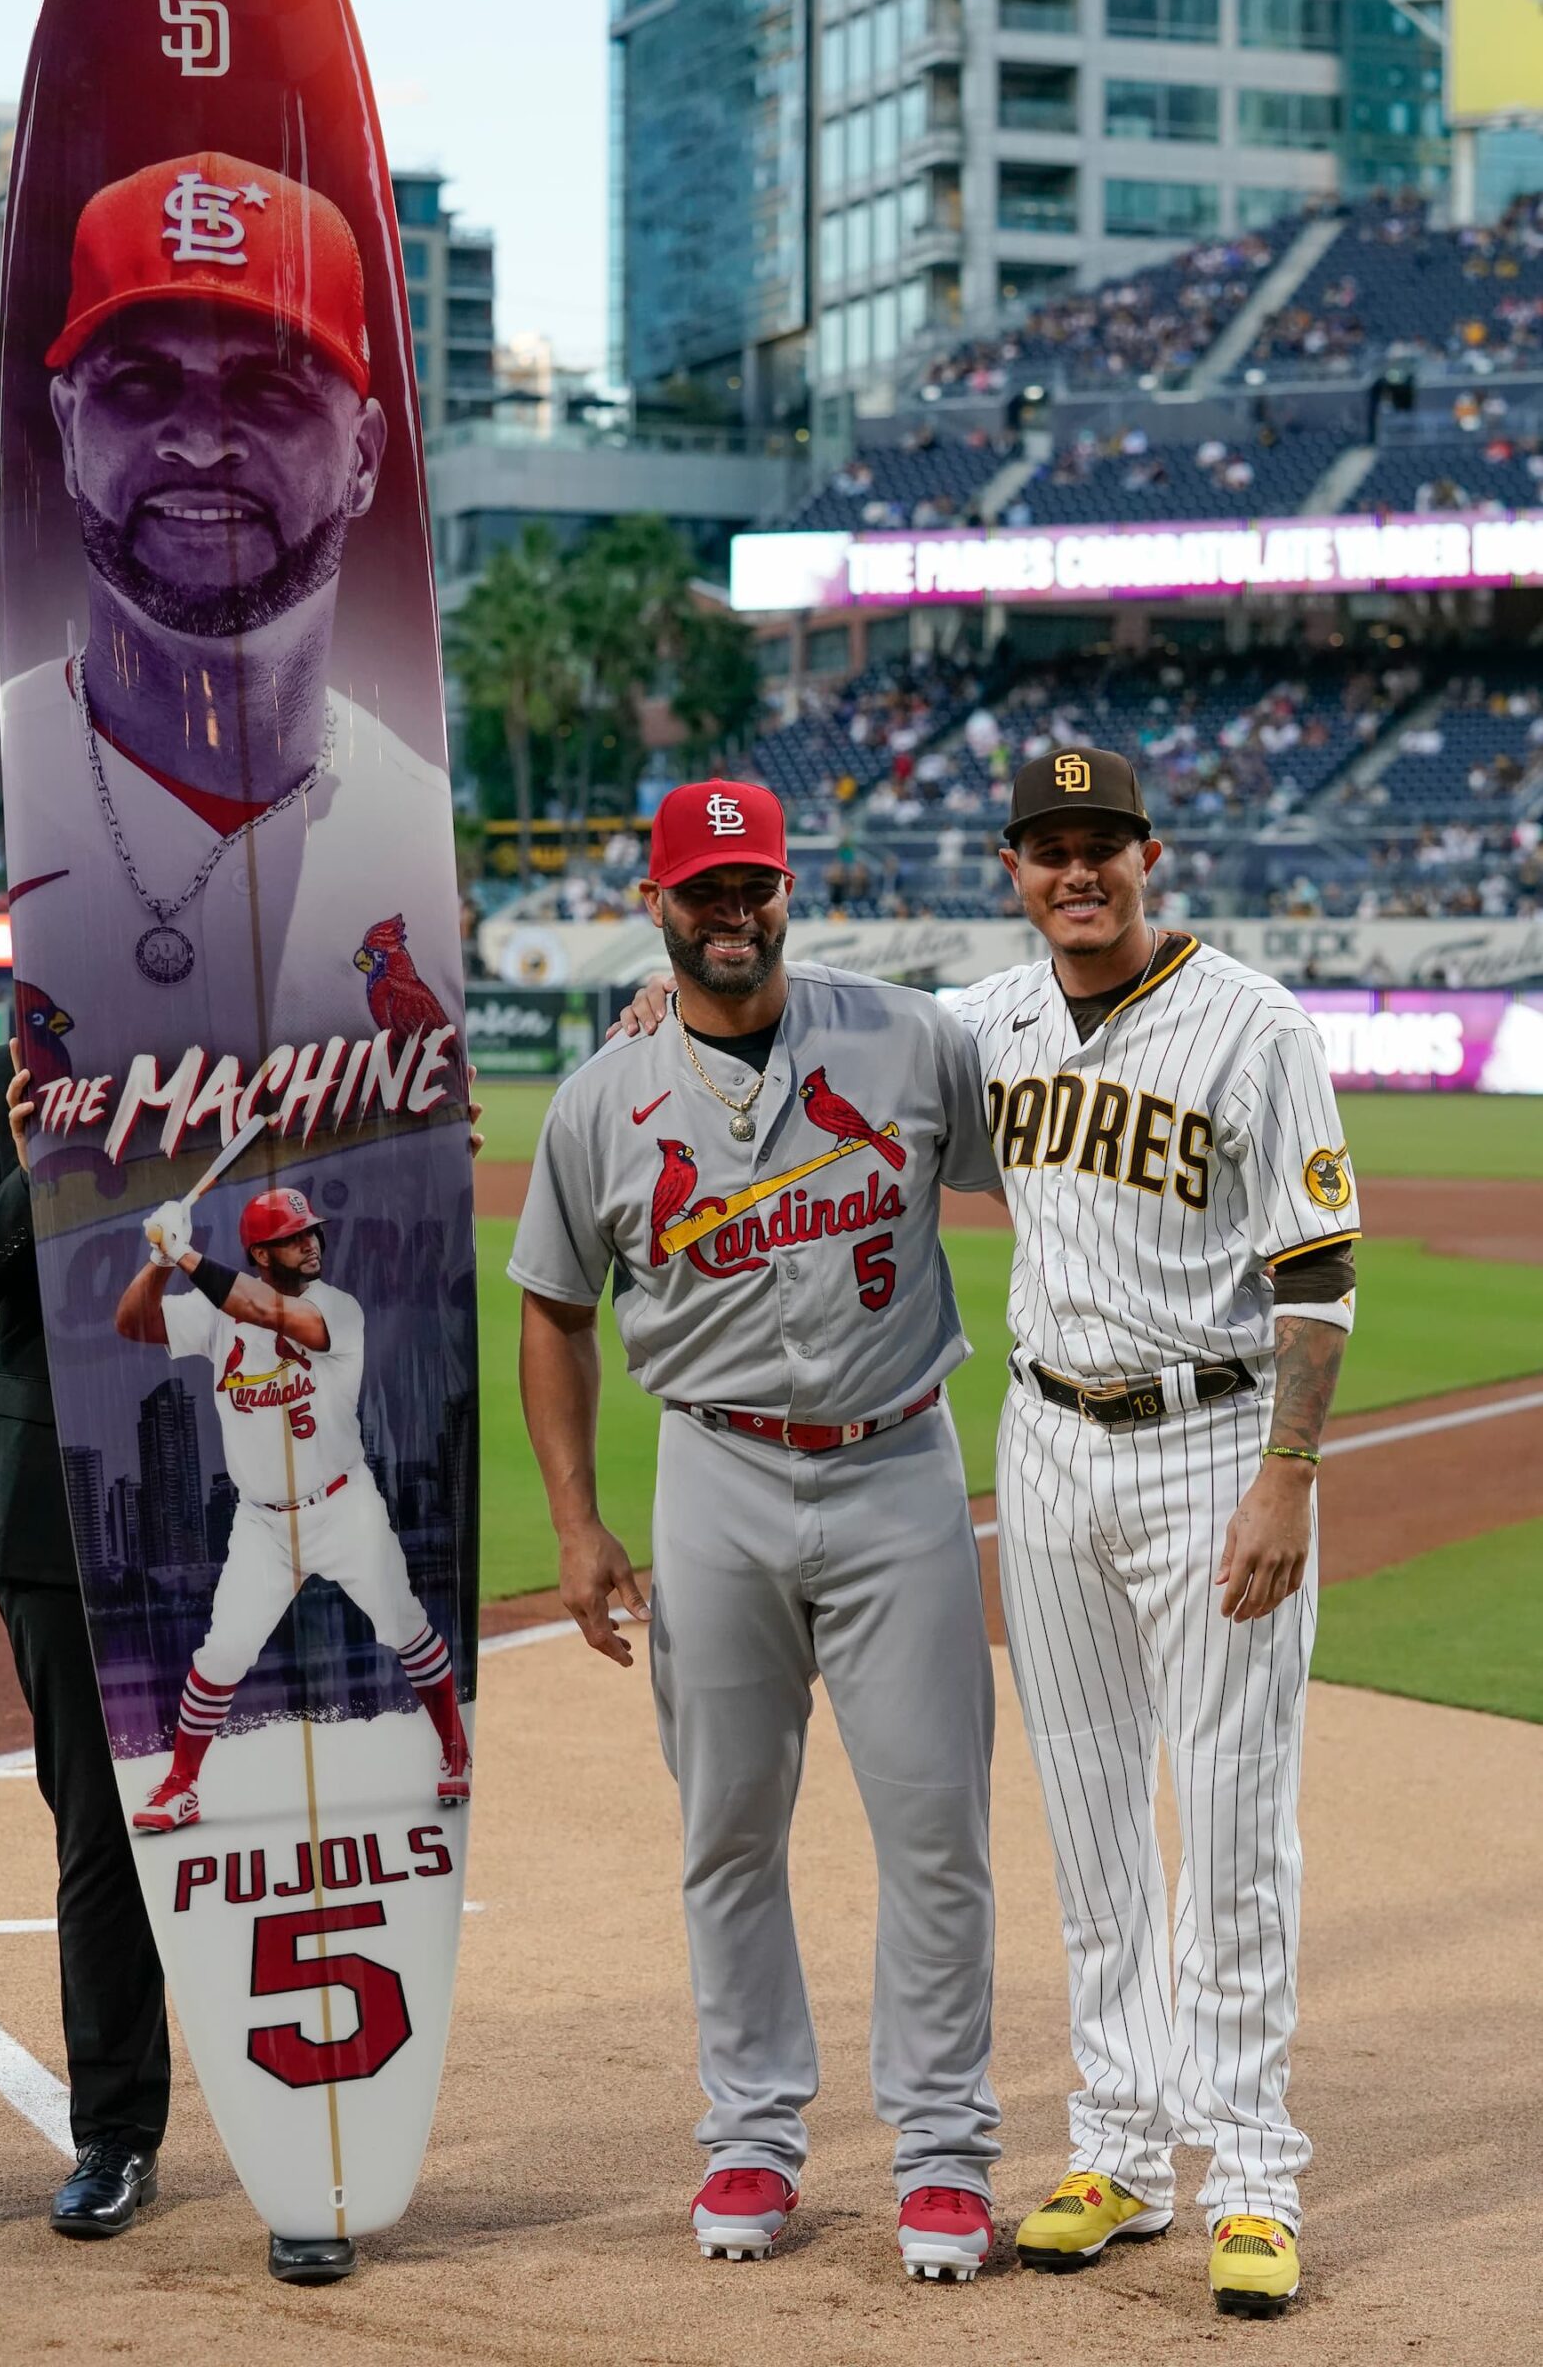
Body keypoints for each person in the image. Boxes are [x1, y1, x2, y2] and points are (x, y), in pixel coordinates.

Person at [509, 779, 1004, 2285]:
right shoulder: (599, 1099)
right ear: (655, 906)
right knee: (726, 1826)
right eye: (703, 890)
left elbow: (1047, 1172)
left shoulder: (909, 1039)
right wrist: (578, 1521)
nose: (732, 912)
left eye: (754, 886)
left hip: (897, 1462)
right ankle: (751, 2133)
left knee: (937, 1827)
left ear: (788, 891)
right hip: (713, 1474)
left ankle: (942, 2149)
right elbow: (553, 1307)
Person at [956, 747, 1357, 2320]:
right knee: (1089, 1821)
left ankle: (1250, 2173)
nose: (1077, 872)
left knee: (1232, 1820)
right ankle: (1118, 2151)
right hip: (1042, 1444)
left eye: (1100, 845)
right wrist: (664, 1001)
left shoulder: (1253, 1025)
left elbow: (1314, 1274)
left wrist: (1287, 1472)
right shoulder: (987, 1024)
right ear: (1010, 869)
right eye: (1048, 848)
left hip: (1210, 1441)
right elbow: (826, 1034)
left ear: (1149, 856)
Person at [0, 150, 461, 1082]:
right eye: (139, 384)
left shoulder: (414, 825)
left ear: (364, 457)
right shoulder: (0, 767)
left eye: (270, 389)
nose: (202, 442)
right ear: (69, 429)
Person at [0, 1038, 168, 2239]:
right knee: (104, 1830)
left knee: (275, 1807)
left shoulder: (250, 1056)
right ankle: (117, 2133)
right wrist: (35, 1169)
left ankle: (303, 2126)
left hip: (242, 1481)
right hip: (57, 1502)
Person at [111, 1183, 471, 1828]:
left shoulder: (337, 1309)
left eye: (311, 1232)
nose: (310, 1244)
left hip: (342, 1506)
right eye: (292, 1237)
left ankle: (454, 1747)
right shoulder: (217, 1312)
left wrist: (186, 1254)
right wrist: (159, 1263)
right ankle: (180, 1786)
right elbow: (133, 1323)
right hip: (262, 1523)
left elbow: (266, 1312)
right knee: (223, 1653)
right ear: (260, 1253)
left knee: (402, 1623)